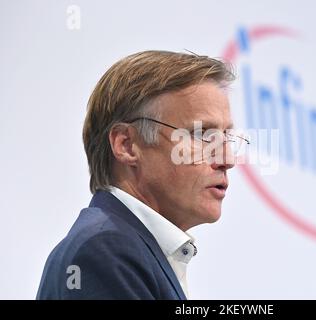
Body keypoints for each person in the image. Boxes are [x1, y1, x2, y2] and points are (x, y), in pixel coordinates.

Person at [36, 50, 244, 299]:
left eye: (226, 138)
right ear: (126, 145)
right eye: (202, 135)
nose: (227, 160)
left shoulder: (133, 249)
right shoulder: (105, 251)